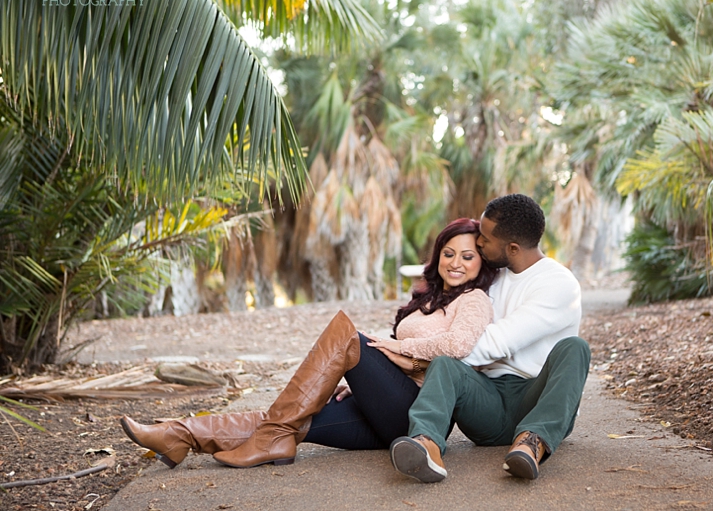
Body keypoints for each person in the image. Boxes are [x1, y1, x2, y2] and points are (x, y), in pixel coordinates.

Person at [120, 218, 497, 469]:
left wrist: (391, 349)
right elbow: (394, 358)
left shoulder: (474, 301)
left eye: (467, 256)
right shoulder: (425, 299)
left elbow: (458, 345)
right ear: (438, 255)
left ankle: (263, 440)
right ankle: (178, 435)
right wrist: (365, 384)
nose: (456, 263)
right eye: (449, 253)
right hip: (387, 409)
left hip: (420, 416)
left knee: (348, 335)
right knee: (289, 421)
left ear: (482, 262)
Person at [389, 194, 590, 482]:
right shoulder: (490, 276)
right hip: (487, 402)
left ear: (512, 248)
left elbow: (496, 343)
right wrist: (386, 366)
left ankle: (531, 443)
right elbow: (444, 332)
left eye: (484, 238)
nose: (478, 242)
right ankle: (426, 445)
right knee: (446, 363)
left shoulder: (559, 285)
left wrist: (413, 358)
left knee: (575, 348)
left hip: (536, 398)